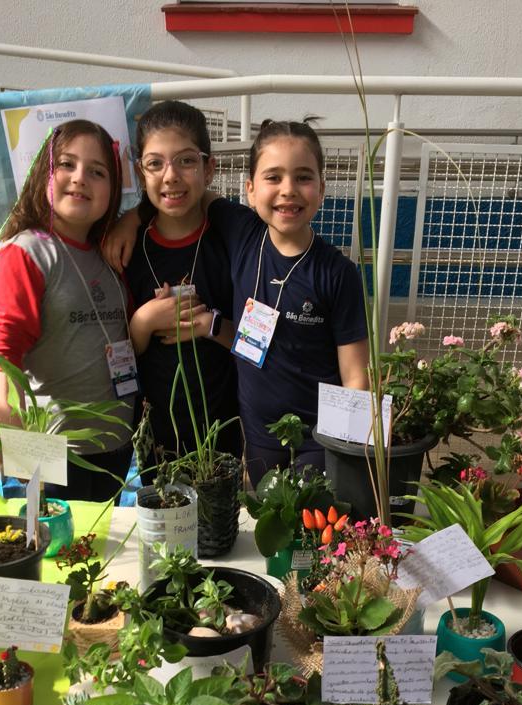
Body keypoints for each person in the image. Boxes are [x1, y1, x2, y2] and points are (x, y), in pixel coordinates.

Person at [106, 117, 368, 488]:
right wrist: (133, 217)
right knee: (267, 516)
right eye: (273, 177)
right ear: (250, 190)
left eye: (303, 177)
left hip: (319, 439)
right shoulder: (241, 232)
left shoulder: (339, 273)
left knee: (311, 519)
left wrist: (354, 460)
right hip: (259, 437)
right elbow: (184, 193)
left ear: (322, 188)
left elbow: (357, 377)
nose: (288, 190)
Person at [0, 118, 136, 503]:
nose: (80, 177)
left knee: (105, 542)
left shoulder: (110, 253)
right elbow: (1, 359)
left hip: (116, 449)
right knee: (61, 542)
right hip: (55, 456)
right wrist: (28, 460)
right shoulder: (26, 253)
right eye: (67, 164)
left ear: (113, 188)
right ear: (43, 174)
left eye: (97, 171)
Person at [126, 101, 241, 467]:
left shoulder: (232, 245)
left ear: (209, 168)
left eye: (186, 161)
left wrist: (211, 326)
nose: (171, 176)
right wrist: (143, 322)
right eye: (155, 163)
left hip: (225, 436)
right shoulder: (127, 249)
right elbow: (113, 357)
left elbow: (261, 345)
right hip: (155, 441)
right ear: (140, 172)